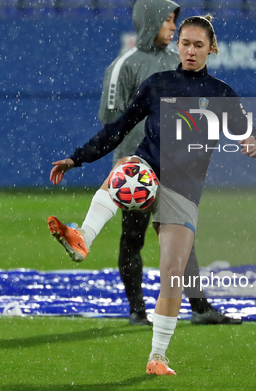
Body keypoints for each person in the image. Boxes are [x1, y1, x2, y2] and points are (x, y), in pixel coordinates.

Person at [48, 15, 256, 375]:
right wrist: (77, 157)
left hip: (183, 187)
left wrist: (251, 144)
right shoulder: (157, 85)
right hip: (146, 172)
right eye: (185, 43)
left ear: (212, 49)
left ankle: (157, 358)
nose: (191, 51)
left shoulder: (222, 93)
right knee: (125, 171)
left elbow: (247, 134)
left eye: (199, 45)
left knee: (172, 275)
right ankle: (82, 237)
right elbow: (117, 130)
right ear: (177, 45)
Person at [98, 0, 240, 326]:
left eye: (174, 21)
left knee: (181, 237)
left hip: (173, 167)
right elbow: (112, 118)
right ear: (149, 21)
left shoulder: (177, 61)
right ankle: (138, 311)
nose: (172, 27)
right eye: (166, 20)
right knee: (133, 236)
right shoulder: (126, 65)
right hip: (137, 169)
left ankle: (200, 307)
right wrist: (125, 157)